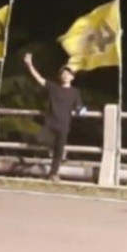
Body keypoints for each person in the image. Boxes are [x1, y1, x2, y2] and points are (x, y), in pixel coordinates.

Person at [23, 52, 85, 182]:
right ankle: (28, 163)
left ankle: (53, 174)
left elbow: (79, 107)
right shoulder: (53, 87)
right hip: (50, 123)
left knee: (59, 151)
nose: (65, 76)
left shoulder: (75, 92)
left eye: (68, 74)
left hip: (64, 125)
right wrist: (30, 65)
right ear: (60, 76)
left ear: (72, 77)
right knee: (40, 139)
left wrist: (84, 112)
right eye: (63, 74)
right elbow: (39, 78)